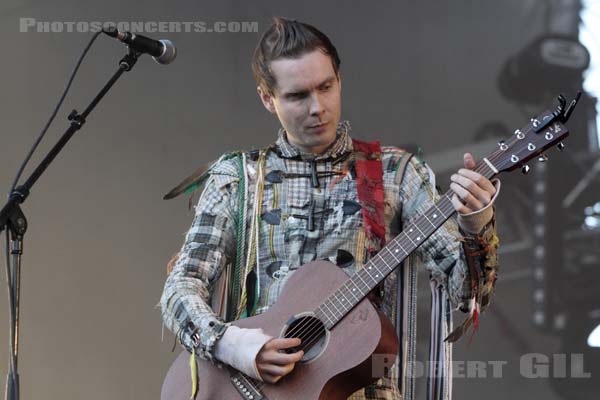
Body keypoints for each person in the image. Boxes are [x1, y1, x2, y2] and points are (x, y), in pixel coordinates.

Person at [160, 17, 500, 400]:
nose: (317, 107)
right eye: (297, 95)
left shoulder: (396, 174)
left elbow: (467, 294)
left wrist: (477, 224)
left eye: (326, 87)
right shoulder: (237, 178)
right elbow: (180, 287)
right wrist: (237, 347)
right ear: (267, 99)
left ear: (339, 80)